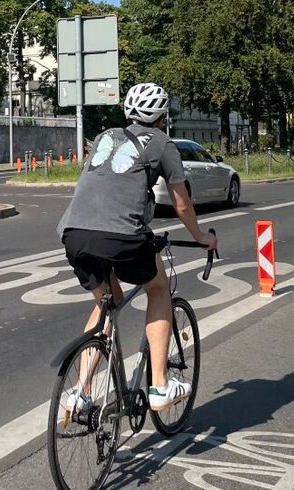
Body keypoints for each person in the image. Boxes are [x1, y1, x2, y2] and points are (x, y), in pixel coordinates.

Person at [56, 82, 217, 412]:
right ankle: (159, 385)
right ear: (162, 116)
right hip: (123, 236)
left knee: (107, 301)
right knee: (158, 289)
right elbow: (182, 204)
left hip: (74, 232)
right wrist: (201, 237)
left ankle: (79, 392)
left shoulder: (104, 137)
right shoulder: (163, 143)